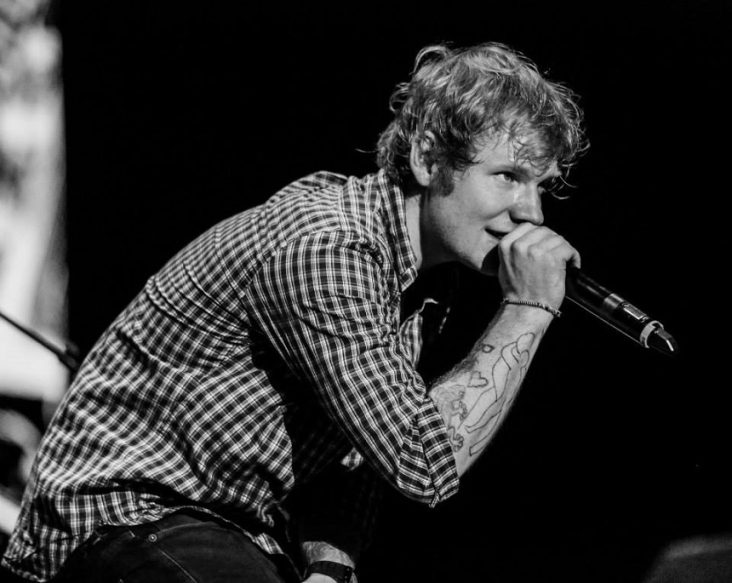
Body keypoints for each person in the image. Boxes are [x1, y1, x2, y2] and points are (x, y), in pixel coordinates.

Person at [1, 41, 587, 582]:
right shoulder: (329, 247)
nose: (532, 213)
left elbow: (352, 461)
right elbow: (422, 462)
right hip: (121, 514)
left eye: (541, 186)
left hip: (223, 527)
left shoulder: (427, 281)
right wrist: (528, 307)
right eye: (508, 177)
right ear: (428, 160)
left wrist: (330, 568)